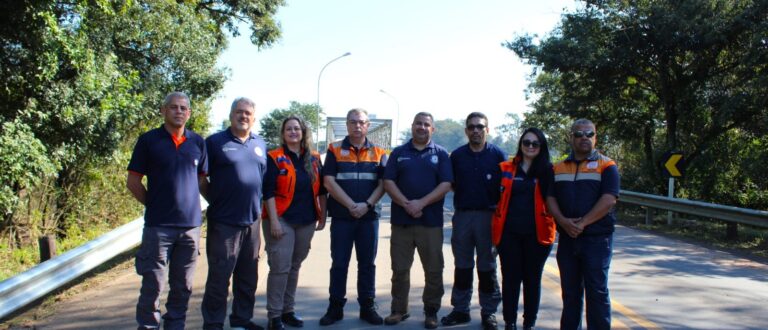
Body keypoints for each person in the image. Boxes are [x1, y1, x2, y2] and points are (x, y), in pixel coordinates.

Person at [126, 91, 208, 330]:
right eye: (174, 107)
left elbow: (202, 182)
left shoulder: (197, 143)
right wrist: (154, 204)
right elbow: (133, 182)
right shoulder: (148, 141)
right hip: (158, 227)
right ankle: (148, 326)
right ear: (163, 110)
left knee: (183, 285)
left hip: (190, 228)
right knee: (153, 283)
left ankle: (175, 325)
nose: (179, 112)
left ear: (189, 113)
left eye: (183, 108)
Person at [199, 97, 267, 330]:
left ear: (254, 117)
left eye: (248, 113)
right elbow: (201, 179)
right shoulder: (215, 142)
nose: (243, 116)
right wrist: (217, 200)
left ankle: (241, 319)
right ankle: (213, 323)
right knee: (219, 277)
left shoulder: (260, 144)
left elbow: (262, 180)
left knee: (248, 278)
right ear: (231, 115)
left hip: (252, 222)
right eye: (239, 112)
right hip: (224, 222)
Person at [546, 119, 620, 330]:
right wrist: (562, 221)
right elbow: (550, 198)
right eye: (579, 134)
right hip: (568, 240)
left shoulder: (607, 166)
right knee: (570, 293)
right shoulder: (558, 167)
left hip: (597, 240)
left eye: (589, 134)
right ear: (571, 138)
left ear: (595, 137)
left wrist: (582, 223)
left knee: (596, 291)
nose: (584, 138)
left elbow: (609, 199)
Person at [383, 112, 453, 329]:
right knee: (400, 269)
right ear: (412, 126)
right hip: (402, 222)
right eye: (418, 124)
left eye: (426, 124)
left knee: (433, 269)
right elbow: (388, 182)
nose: (422, 127)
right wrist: (407, 204)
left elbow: (445, 185)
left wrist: (420, 204)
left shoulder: (441, 154)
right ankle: (399, 310)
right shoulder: (399, 153)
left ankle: (431, 311)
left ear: (433, 129)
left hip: (430, 223)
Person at [319, 108, 388, 326]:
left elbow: (384, 184)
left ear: (368, 125)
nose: (357, 126)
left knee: (367, 264)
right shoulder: (334, 149)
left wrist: (366, 205)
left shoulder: (379, 152)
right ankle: (335, 307)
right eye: (353, 122)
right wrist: (351, 205)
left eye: (361, 122)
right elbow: (328, 181)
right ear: (347, 125)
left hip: (369, 217)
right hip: (342, 216)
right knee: (339, 263)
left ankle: (367, 307)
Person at [262, 115, 327, 330]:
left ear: (303, 132)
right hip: (281, 220)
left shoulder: (315, 158)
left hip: (306, 220)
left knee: (294, 266)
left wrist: (323, 216)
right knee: (280, 267)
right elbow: (267, 191)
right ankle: (274, 315)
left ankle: (288, 310)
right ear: (283, 134)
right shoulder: (274, 157)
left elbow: (322, 191)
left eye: (296, 129)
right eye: (288, 129)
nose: (293, 132)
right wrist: (273, 221)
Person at [442, 112, 504, 330]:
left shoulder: (498, 155)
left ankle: (489, 312)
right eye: (471, 127)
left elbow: (506, 188)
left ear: (487, 129)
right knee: (462, 265)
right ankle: (461, 310)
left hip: (489, 216)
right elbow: (450, 184)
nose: (475, 130)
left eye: (480, 126)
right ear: (466, 130)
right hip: (463, 215)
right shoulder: (457, 156)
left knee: (487, 267)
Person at [491, 128, 556, 330]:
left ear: (541, 147)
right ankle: (510, 322)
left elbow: (556, 201)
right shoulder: (506, 168)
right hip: (508, 234)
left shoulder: (549, 171)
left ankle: (529, 323)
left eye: (535, 143)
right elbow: (494, 198)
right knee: (510, 279)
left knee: (532, 280)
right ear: (520, 144)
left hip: (538, 235)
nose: (530, 146)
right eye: (526, 142)